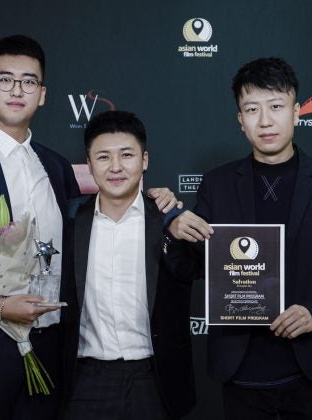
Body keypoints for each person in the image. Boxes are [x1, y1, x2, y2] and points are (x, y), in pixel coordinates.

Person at [0, 35, 179, 420]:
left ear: (42, 95)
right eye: (5, 79)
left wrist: (157, 204)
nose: (17, 90)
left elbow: (92, 228)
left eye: (29, 81)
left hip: (50, 349)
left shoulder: (55, 166)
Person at [167, 57, 312, 419]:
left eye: (276, 106)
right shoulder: (217, 184)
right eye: (252, 109)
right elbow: (194, 266)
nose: (265, 120)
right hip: (240, 370)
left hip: (310, 367)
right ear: (240, 119)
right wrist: (172, 230)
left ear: (296, 113)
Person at [60, 111, 197, 420]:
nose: (116, 167)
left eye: (126, 155)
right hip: (85, 381)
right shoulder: (69, 221)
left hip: (156, 379)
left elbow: (194, 270)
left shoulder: (169, 220)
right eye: (103, 157)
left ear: (144, 160)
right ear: (89, 164)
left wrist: (173, 221)